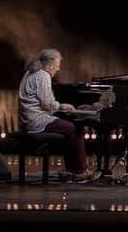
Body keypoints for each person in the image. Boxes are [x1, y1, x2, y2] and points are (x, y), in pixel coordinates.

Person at [18, 48, 96, 182]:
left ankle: (72, 170)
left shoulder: (29, 73)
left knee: (68, 127)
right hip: (37, 121)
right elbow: (47, 104)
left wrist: (59, 108)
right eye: (57, 65)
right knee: (74, 129)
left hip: (28, 120)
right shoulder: (43, 75)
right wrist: (62, 106)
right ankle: (79, 171)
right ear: (49, 65)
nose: (58, 69)